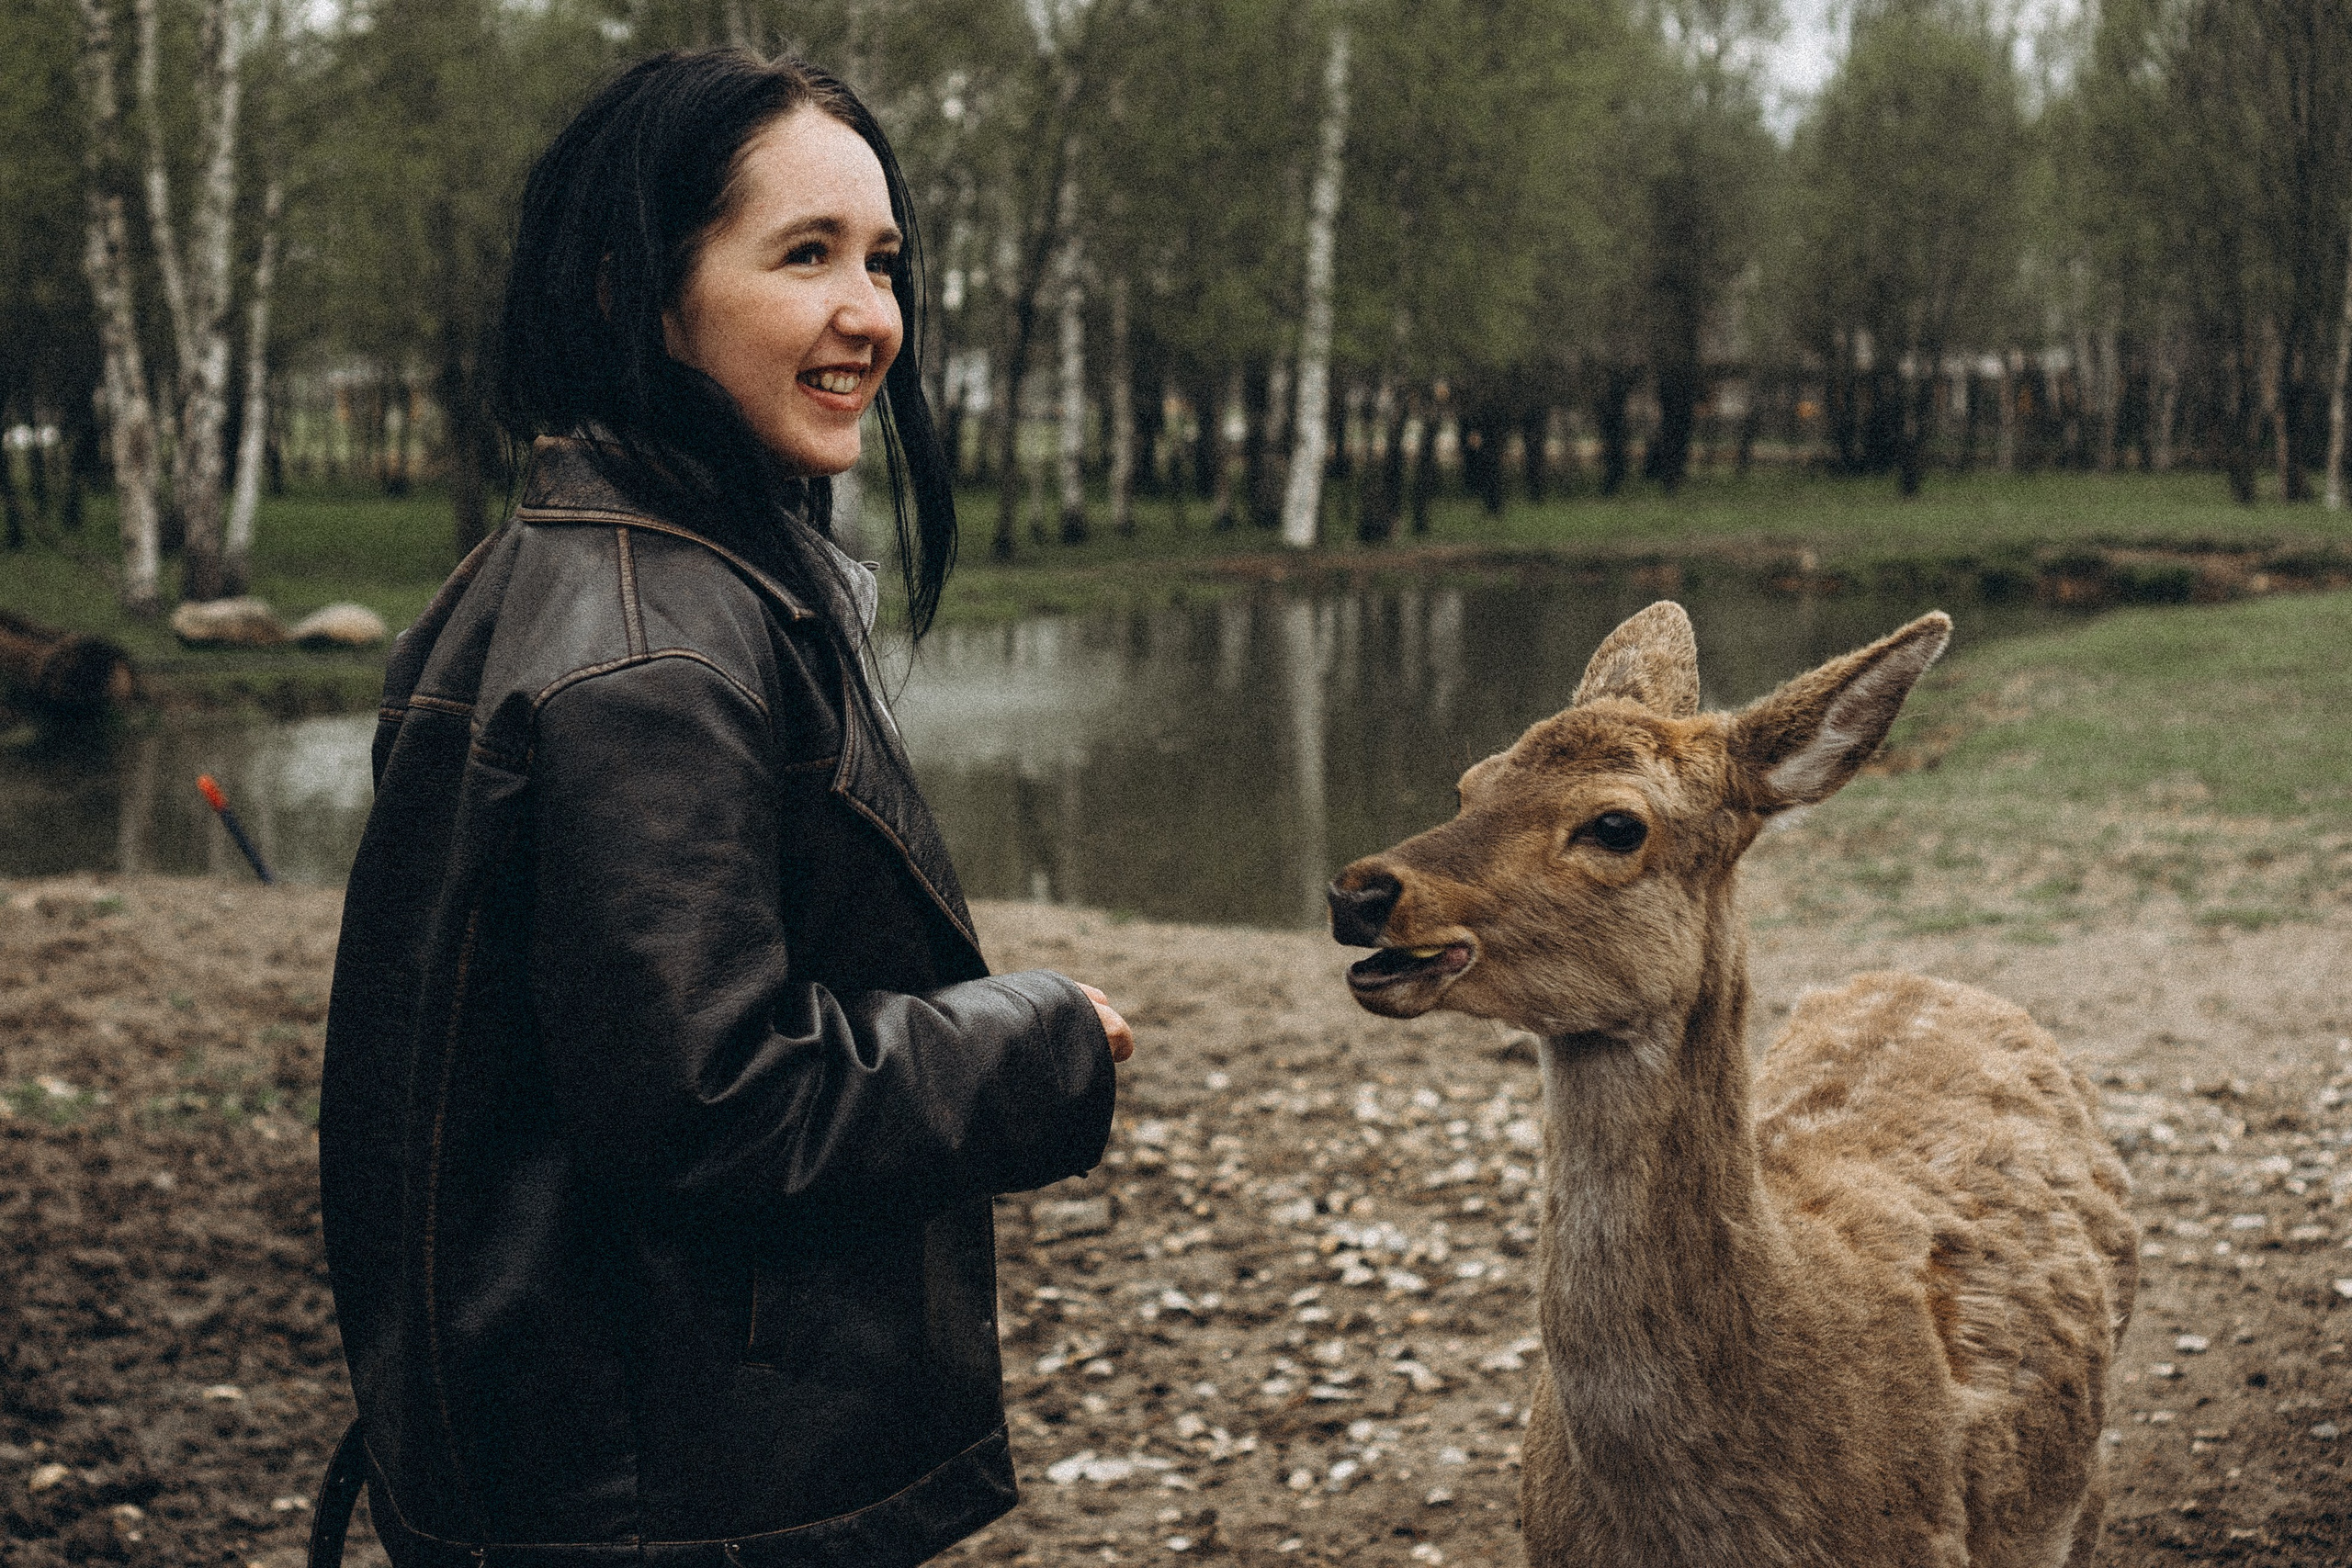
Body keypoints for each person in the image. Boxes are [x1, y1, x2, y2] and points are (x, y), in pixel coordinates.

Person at [310, 50, 1134, 1568]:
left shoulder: (565, 576)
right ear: (639, 291)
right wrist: (1038, 1042)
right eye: (805, 255)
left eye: (884, 262)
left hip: (591, 1458)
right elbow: (709, 1100)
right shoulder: (654, 653)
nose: (870, 315)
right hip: (664, 1493)